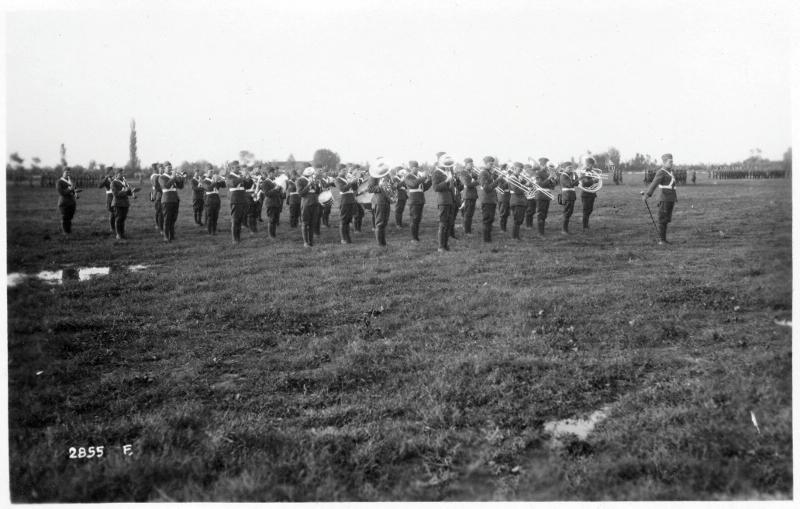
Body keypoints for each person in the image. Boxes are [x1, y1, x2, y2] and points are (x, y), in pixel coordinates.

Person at [644, 153, 678, 245]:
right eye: (670, 162)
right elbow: (654, 183)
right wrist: (647, 194)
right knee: (662, 219)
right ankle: (662, 240)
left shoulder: (670, 172)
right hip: (664, 199)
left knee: (666, 220)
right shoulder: (661, 172)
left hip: (670, 199)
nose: (672, 163)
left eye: (672, 161)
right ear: (664, 162)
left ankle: (664, 239)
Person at [432, 153, 456, 252]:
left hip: (449, 200)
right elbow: (435, 187)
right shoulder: (436, 173)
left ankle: (445, 245)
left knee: (448, 223)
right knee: (443, 224)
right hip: (443, 201)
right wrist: (446, 181)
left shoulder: (447, 172)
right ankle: (441, 246)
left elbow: (451, 187)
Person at [404, 160, 432, 243]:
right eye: (414, 168)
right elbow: (413, 184)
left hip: (420, 200)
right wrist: (423, 177)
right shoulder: (408, 176)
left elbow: (424, 188)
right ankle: (414, 238)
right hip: (414, 200)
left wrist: (429, 180)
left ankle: (416, 237)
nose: (416, 169)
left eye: (417, 167)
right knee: (414, 219)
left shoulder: (418, 176)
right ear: (410, 168)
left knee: (418, 219)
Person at [367, 161, 394, 247]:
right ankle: (380, 245)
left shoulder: (387, 175)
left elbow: (390, 186)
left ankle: (383, 243)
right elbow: (370, 189)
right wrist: (381, 186)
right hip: (379, 201)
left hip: (386, 200)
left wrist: (393, 186)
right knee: (379, 223)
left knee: (384, 222)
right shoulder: (373, 175)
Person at [477, 156, 503, 243]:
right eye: (490, 164)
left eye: (493, 163)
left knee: (490, 219)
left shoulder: (489, 173)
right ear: (485, 164)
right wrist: (498, 180)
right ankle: (486, 239)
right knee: (487, 219)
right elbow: (487, 188)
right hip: (486, 199)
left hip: (491, 199)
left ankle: (488, 238)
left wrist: (497, 179)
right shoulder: (483, 173)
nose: (492, 166)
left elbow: (492, 186)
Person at [296, 166, 322, 247]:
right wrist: (309, 184)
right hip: (306, 204)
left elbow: (317, 192)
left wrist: (318, 185)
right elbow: (300, 193)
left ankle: (311, 241)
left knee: (312, 223)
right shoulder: (300, 180)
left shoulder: (313, 180)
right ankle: (305, 242)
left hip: (315, 203)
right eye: (312, 173)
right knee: (305, 223)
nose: (313, 174)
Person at [158, 162, 184, 242]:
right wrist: (173, 177)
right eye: (168, 167)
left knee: (173, 219)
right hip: (167, 200)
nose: (170, 169)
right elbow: (167, 186)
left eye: (170, 167)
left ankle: (172, 235)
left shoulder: (173, 177)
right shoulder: (162, 177)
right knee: (167, 219)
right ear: (164, 168)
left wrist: (182, 178)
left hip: (175, 200)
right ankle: (166, 236)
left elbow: (180, 187)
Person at [226, 161, 251, 244]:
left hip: (242, 200)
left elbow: (248, 186)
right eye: (237, 167)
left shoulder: (240, 176)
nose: (239, 168)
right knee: (235, 219)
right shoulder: (229, 176)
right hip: (235, 200)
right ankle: (234, 239)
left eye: (239, 167)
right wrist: (242, 178)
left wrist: (249, 178)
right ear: (232, 168)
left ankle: (238, 237)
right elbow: (233, 183)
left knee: (240, 220)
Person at [533, 159, 558, 237]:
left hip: (547, 195)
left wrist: (554, 180)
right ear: (540, 165)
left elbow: (552, 187)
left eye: (545, 164)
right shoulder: (538, 173)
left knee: (544, 214)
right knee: (541, 214)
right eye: (543, 165)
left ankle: (542, 231)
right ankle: (540, 233)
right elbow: (540, 185)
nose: (545, 166)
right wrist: (549, 178)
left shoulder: (547, 173)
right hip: (540, 195)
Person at [110, 167, 136, 241]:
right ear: (116, 174)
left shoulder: (124, 181)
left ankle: (122, 234)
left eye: (123, 173)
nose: (122, 174)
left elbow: (127, 192)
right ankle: (118, 234)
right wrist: (125, 191)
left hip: (125, 203)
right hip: (117, 203)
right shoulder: (113, 182)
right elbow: (115, 194)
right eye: (120, 173)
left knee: (123, 219)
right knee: (119, 219)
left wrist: (132, 192)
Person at [335, 164, 359, 244]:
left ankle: (348, 238)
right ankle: (343, 239)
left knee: (348, 220)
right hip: (344, 200)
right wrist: (351, 182)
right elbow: (343, 189)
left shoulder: (347, 178)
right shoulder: (338, 179)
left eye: (345, 170)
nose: (345, 171)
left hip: (351, 200)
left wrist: (355, 182)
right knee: (343, 220)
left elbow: (355, 189)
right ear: (339, 171)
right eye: (343, 170)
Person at [202, 166, 226, 235]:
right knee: (210, 217)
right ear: (206, 173)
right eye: (210, 172)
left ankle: (214, 230)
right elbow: (208, 188)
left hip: (216, 198)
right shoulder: (205, 181)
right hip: (209, 199)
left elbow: (224, 185)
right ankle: (210, 232)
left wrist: (222, 178)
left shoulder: (215, 179)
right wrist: (215, 181)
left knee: (216, 216)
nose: (212, 173)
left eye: (212, 172)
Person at [56, 166, 78, 238]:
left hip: (72, 203)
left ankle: (68, 230)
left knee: (70, 217)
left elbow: (74, 189)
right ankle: (66, 232)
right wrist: (70, 189)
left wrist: (76, 193)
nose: (68, 173)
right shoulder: (59, 182)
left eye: (69, 172)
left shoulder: (71, 180)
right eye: (66, 172)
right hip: (64, 203)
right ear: (63, 173)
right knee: (65, 217)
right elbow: (62, 192)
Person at [579, 157, 600, 230]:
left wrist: (597, 180)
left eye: (592, 165)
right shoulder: (583, 172)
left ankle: (586, 224)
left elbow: (595, 182)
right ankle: (585, 226)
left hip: (592, 193)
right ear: (587, 164)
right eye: (590, 165)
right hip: (586, 194)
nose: (592, 167)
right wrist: (594, 181)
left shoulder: (592, 172)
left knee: (590, 209)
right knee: (586, 210)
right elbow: (584, 183)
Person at [263, 166, 284, 239]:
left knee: (275, 219)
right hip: (270, 203)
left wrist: (281, 190)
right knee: (271, 219)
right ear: (270, 173)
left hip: (277, 202)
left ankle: (274, 234)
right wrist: (275, 189)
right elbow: (267, 194)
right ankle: (270, 236)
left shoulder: (275, 181)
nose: (275, 174)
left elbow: (280, 192)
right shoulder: (265, 182)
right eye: (274, 173)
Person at [508, 162, 527, 240]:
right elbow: (517, 190)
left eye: (521, 169)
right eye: (519, 169)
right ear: (515, 168)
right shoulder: (512, 178)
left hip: (520, 201)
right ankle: (514, 237)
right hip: (516, 200)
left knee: (519, 219)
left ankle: (516, 236)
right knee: (517, 219)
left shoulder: (518, 177)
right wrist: (526, 187)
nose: (521, 171)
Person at [559, 163, 579, 234]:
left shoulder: (570, 175)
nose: (570, 169)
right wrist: (579, 178)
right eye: (568, 168)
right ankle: (564, 230)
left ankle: (565, 229)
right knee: (567, 212)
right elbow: (570, 184)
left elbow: (576, 184)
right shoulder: (563, 176)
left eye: (571, 168)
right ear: (564, 168)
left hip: (571, 196)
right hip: (567, 196)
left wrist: (576, 177)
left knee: (569, 212)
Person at [460, 157, 479, 235]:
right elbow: (467, 184)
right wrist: (478, 181)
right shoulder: (463, 173)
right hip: (467, 195)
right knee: (467, 214)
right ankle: (467, 231)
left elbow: (476, 178)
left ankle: (467, 228)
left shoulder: (471, 173)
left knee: (470, 213)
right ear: (465, 165)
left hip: (472, 195)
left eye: (472, 163)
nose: (472, 165)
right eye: (470, 164)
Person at [99, 168, 115, 233]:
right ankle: (112, 228)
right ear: (108, 172)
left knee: (116, 213)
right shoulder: (106, 179)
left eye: (112, 171)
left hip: (116, 196)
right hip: (110, 197)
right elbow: (99, 186)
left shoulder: (114, 178)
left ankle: (116, 227)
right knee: (112, 213)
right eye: (111, 171)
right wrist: (105, 178)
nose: (112, 172)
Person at [150, 163, 164, 233]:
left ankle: (159, 225)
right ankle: (159, 226)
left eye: (163, 168)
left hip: (161, 195)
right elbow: (155, 186)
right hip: (158, 196)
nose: (162, 169)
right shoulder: (155, 176)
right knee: (159, 212)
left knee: (160, 212)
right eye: (161, 168)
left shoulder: (160, 175)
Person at [497, 163, 511, 232]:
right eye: (506, 169)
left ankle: (504, 227)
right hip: (503, 197)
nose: (508, 171)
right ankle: (502, 228)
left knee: (506, 213)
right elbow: (501, 188)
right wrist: (507, 181)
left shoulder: (508, 177)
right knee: (503, 213)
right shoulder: (500, 178)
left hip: (508, 197)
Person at [524, 164, 537, 229]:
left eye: (530, 169)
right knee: (529, 211)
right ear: (526, 170)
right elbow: (525, 185)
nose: (530, 170)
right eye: (528, 169)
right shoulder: (524, 177)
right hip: (528, 196)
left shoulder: (532, 177)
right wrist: (530, 184)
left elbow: (535, 184)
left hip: (533, 195)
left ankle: (530, 224)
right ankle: (528, 225)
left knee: (533, 211)